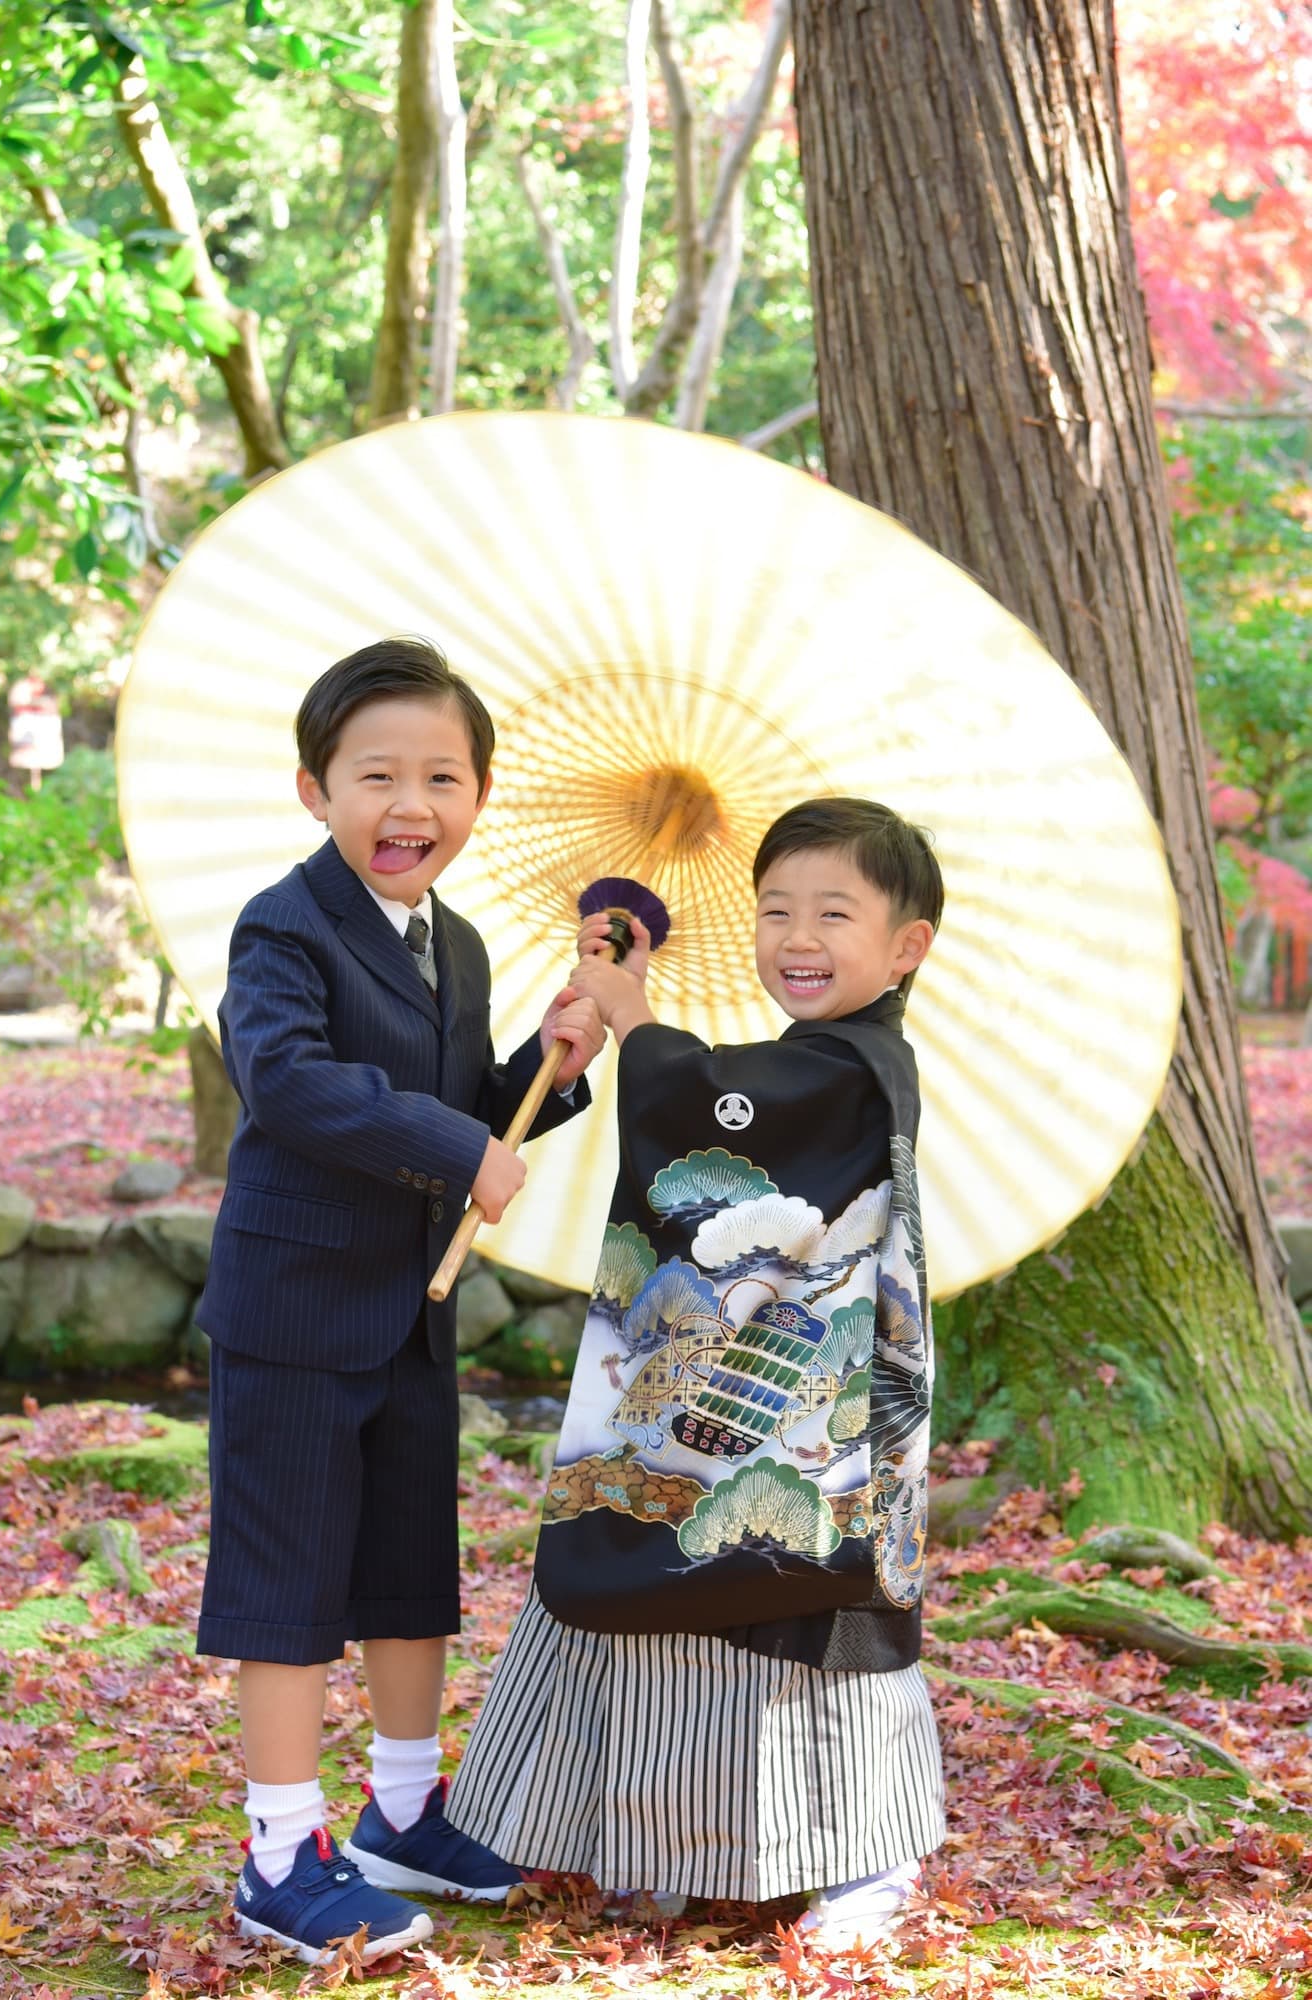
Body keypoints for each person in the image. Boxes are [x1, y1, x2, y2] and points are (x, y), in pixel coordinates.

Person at [447, 796, 947, 1951]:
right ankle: (679, 1846)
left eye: (834, 911)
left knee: (820, 1596)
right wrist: (622, 1021)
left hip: (825, 1403)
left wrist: (638, 1022)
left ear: (905, 945)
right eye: (775, 910)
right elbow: (737, 1107)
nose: (797, 935)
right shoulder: (811, 1059)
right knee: (670, 1574)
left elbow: (736, 1111)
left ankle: (871, 1856)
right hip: (743, 1384)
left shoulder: (862, 1065)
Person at [193, 636, 605, 1966]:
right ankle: (278, 1849)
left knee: (407, 1572)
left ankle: (406, 1808)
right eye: (377, 775)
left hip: (413, 1315)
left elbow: (468, 1110)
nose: (410, 806)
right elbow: (294, 1087)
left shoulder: (460, 941)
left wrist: (546, 1073)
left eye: (442, 776)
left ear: (480, 796)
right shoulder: (283, 925)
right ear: (317, 788)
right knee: (290, 1575)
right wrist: (454, 1147)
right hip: (297, 1311)